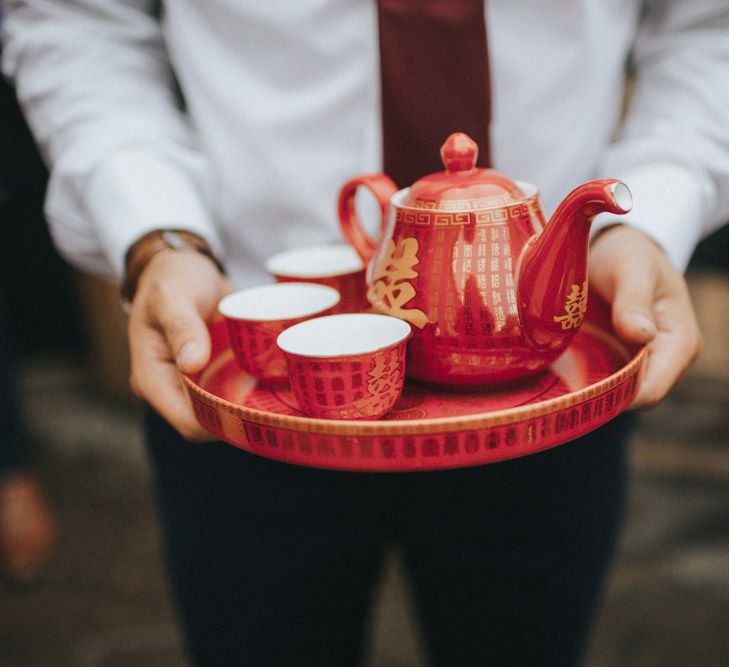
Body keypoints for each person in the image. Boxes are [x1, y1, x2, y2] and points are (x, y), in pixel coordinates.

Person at [2, 1, 727, 664]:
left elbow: (705, 27)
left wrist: (646, 221)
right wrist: (157, 234)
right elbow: (77, 21)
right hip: (256, 361)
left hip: (546, 389)